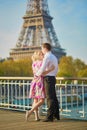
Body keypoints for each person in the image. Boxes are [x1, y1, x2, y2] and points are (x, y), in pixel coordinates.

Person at [25, 50, 55, 121]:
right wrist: (51, 69)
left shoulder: (33, 63)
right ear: (38, 56)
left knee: (35, 100)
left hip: (34, 82)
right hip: (39, 83)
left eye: (42, 53)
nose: (42, 54)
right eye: (41, 54)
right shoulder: (41, 63)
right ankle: (30, 111)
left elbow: (36, 73)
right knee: (41, 100)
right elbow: (42, 73)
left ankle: (36, 117)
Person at [36, 43, 60, 122]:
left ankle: (49, 117)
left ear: (45, 49)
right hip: (52, 77)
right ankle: (56, 115)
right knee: (54, 98)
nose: (42, 51)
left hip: (48, 78)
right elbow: (56, 69)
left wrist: (37, 75)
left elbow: (42, 68)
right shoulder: (54, 57)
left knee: (50, 98)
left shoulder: (47, 56)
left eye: (42, 49)